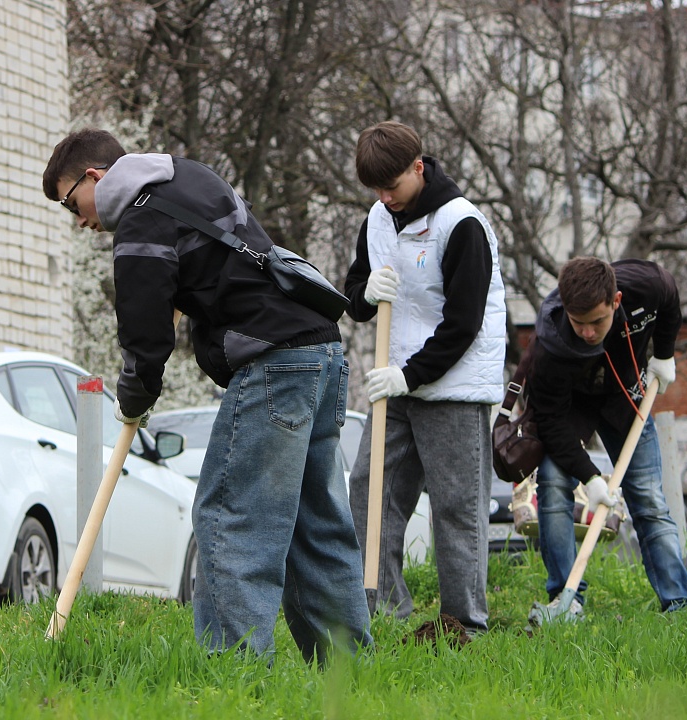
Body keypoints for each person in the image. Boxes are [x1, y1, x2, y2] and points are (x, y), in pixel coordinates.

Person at [43, 129, 371, 664]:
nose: (79, 221)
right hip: (321, 352)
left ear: (95, 178)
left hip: (274, 363)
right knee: (318, 526)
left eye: (70, 203)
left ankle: (232, 671)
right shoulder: (184, 177)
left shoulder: (140, 223)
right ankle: (348, 672)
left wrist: (134, 397)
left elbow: (145, 336)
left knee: (230, 518)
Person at [342, 121, 507, 633]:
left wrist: (408, 376)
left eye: (392, 185)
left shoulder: (463, 225)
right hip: (396, 382)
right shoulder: (378, 217)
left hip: (453, 386)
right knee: (371, 492)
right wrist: (365, 291)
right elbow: (353, 296)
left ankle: (465, 626)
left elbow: (463, 326)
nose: (385, 197)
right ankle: (384, 616)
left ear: (419, 167)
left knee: (456, 509)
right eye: (375, 189)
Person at [526, 256, 687, 618]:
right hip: (572, 403)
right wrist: (589, 477)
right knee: (553, 482)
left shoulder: (646, 285)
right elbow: (551, 421)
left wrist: (664, 354)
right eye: (579, 324)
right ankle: (567, 599)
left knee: (649, 498)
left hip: (624, 396)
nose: (588, 332)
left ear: (616, 301)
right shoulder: (550, 343)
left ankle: (681, 602)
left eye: (597, 322)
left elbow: (669, 297)